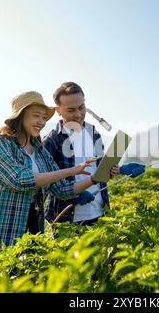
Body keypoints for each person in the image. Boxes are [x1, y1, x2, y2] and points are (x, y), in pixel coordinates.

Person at [0, 91, 99, 249]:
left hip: (30, 230)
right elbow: (21, 180)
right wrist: (72, 171)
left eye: (43, 117)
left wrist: (93, 179)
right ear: (20, 116)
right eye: (36, 116)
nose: (41, 122)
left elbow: (62, 189)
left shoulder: (41, 152)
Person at [43, 82, 145, 225]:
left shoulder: (93, 133)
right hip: (67, 217)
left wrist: (120, 169)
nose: (78, 114)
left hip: (100, 212)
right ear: (58, 110)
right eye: (71, 110)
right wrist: (72, 195)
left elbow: (100, 168)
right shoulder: (52, 140)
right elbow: (45, 181)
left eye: (81, 107)